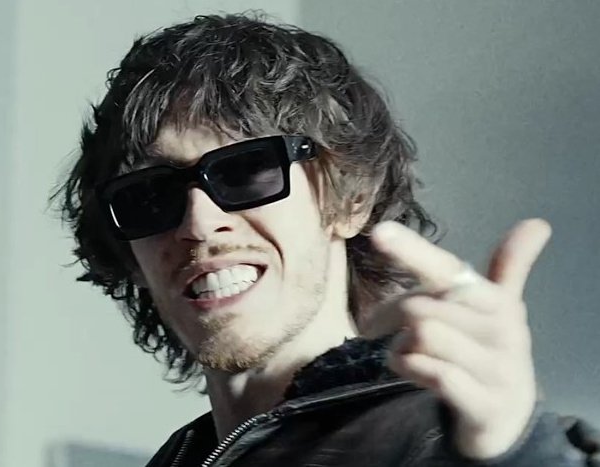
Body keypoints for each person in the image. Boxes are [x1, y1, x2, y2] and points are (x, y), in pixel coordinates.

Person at [56, 13, 597, 466]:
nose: (199, 223)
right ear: (130, 257)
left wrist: (516, 448)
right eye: (150, 195)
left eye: (246, 171)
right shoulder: (182, 457)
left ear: (349, 198)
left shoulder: (434, 433)